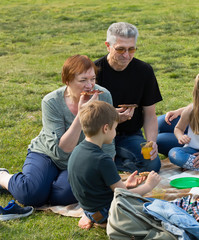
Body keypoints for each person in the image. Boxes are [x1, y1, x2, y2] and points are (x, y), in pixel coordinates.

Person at [0, 55, 115, 207]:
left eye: (92, 79)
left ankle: (40, 185)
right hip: (48, 153)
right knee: (31, 196)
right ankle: (3, 176)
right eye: (83, 80)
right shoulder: (51, 101)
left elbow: (107, 138)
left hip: (79, 158)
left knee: (62, 197)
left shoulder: (103, 95)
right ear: (67, 81)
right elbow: (61, 151)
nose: (90, 85)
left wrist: (108, 173)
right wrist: (81, 115)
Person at [68, 100, 161, 229]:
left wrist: (126, 185)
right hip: (107, 212)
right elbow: (124, 197)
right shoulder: (102, 159)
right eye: (115, 128)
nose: (115, 133)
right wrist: (149, 185)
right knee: (159, 206)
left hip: (90, 211)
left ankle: (97, 219)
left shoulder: (77, 150)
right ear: (106, 128)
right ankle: (109, 222)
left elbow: (95, 187)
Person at [95, 22, 162, 173]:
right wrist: (112, 117)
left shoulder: (144, 71)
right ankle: (116, 164)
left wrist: (151, 142)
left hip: (130, 135)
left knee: (152, 164)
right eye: (120, 49)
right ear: (108, 46)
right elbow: (85, 116)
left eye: (131, 49)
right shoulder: (94, 72)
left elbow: (150, 114)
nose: (126, 55)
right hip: (99, 134)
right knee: (93, 166)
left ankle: (114, 163)